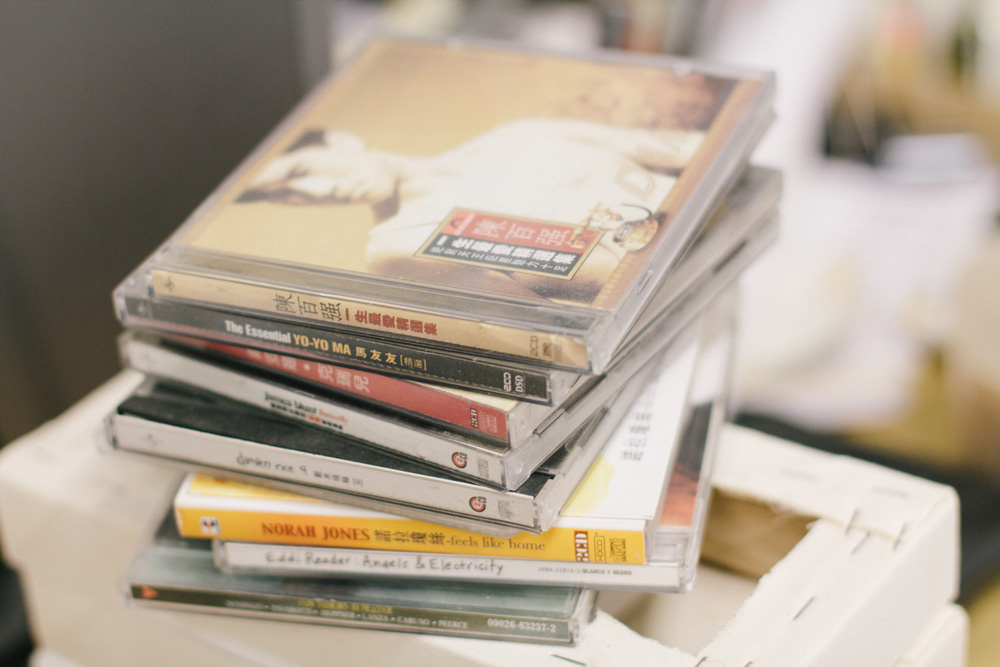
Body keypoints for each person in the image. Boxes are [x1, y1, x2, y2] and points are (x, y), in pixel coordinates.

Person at [238, 118, 704, 303]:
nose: (320, 191)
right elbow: (556, 333)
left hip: (715, 220)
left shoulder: (519, 134)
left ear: (341, 140)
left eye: (302, 170)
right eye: (286, 195)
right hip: (673, 291)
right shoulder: (398, 245)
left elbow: (692, 150)